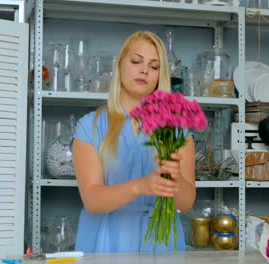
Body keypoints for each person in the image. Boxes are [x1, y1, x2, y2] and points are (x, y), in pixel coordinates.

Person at [72, 31, 196, 253]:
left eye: (154, 66)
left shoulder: (177, 130)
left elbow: (185, 203)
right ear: (120, 66)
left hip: (161, 244)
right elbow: (92, 199)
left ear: (160, 76)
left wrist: (172, 177)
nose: (145, 70)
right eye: (136, 61)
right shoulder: (90, 126)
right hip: (105, 242)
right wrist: (141, 185)